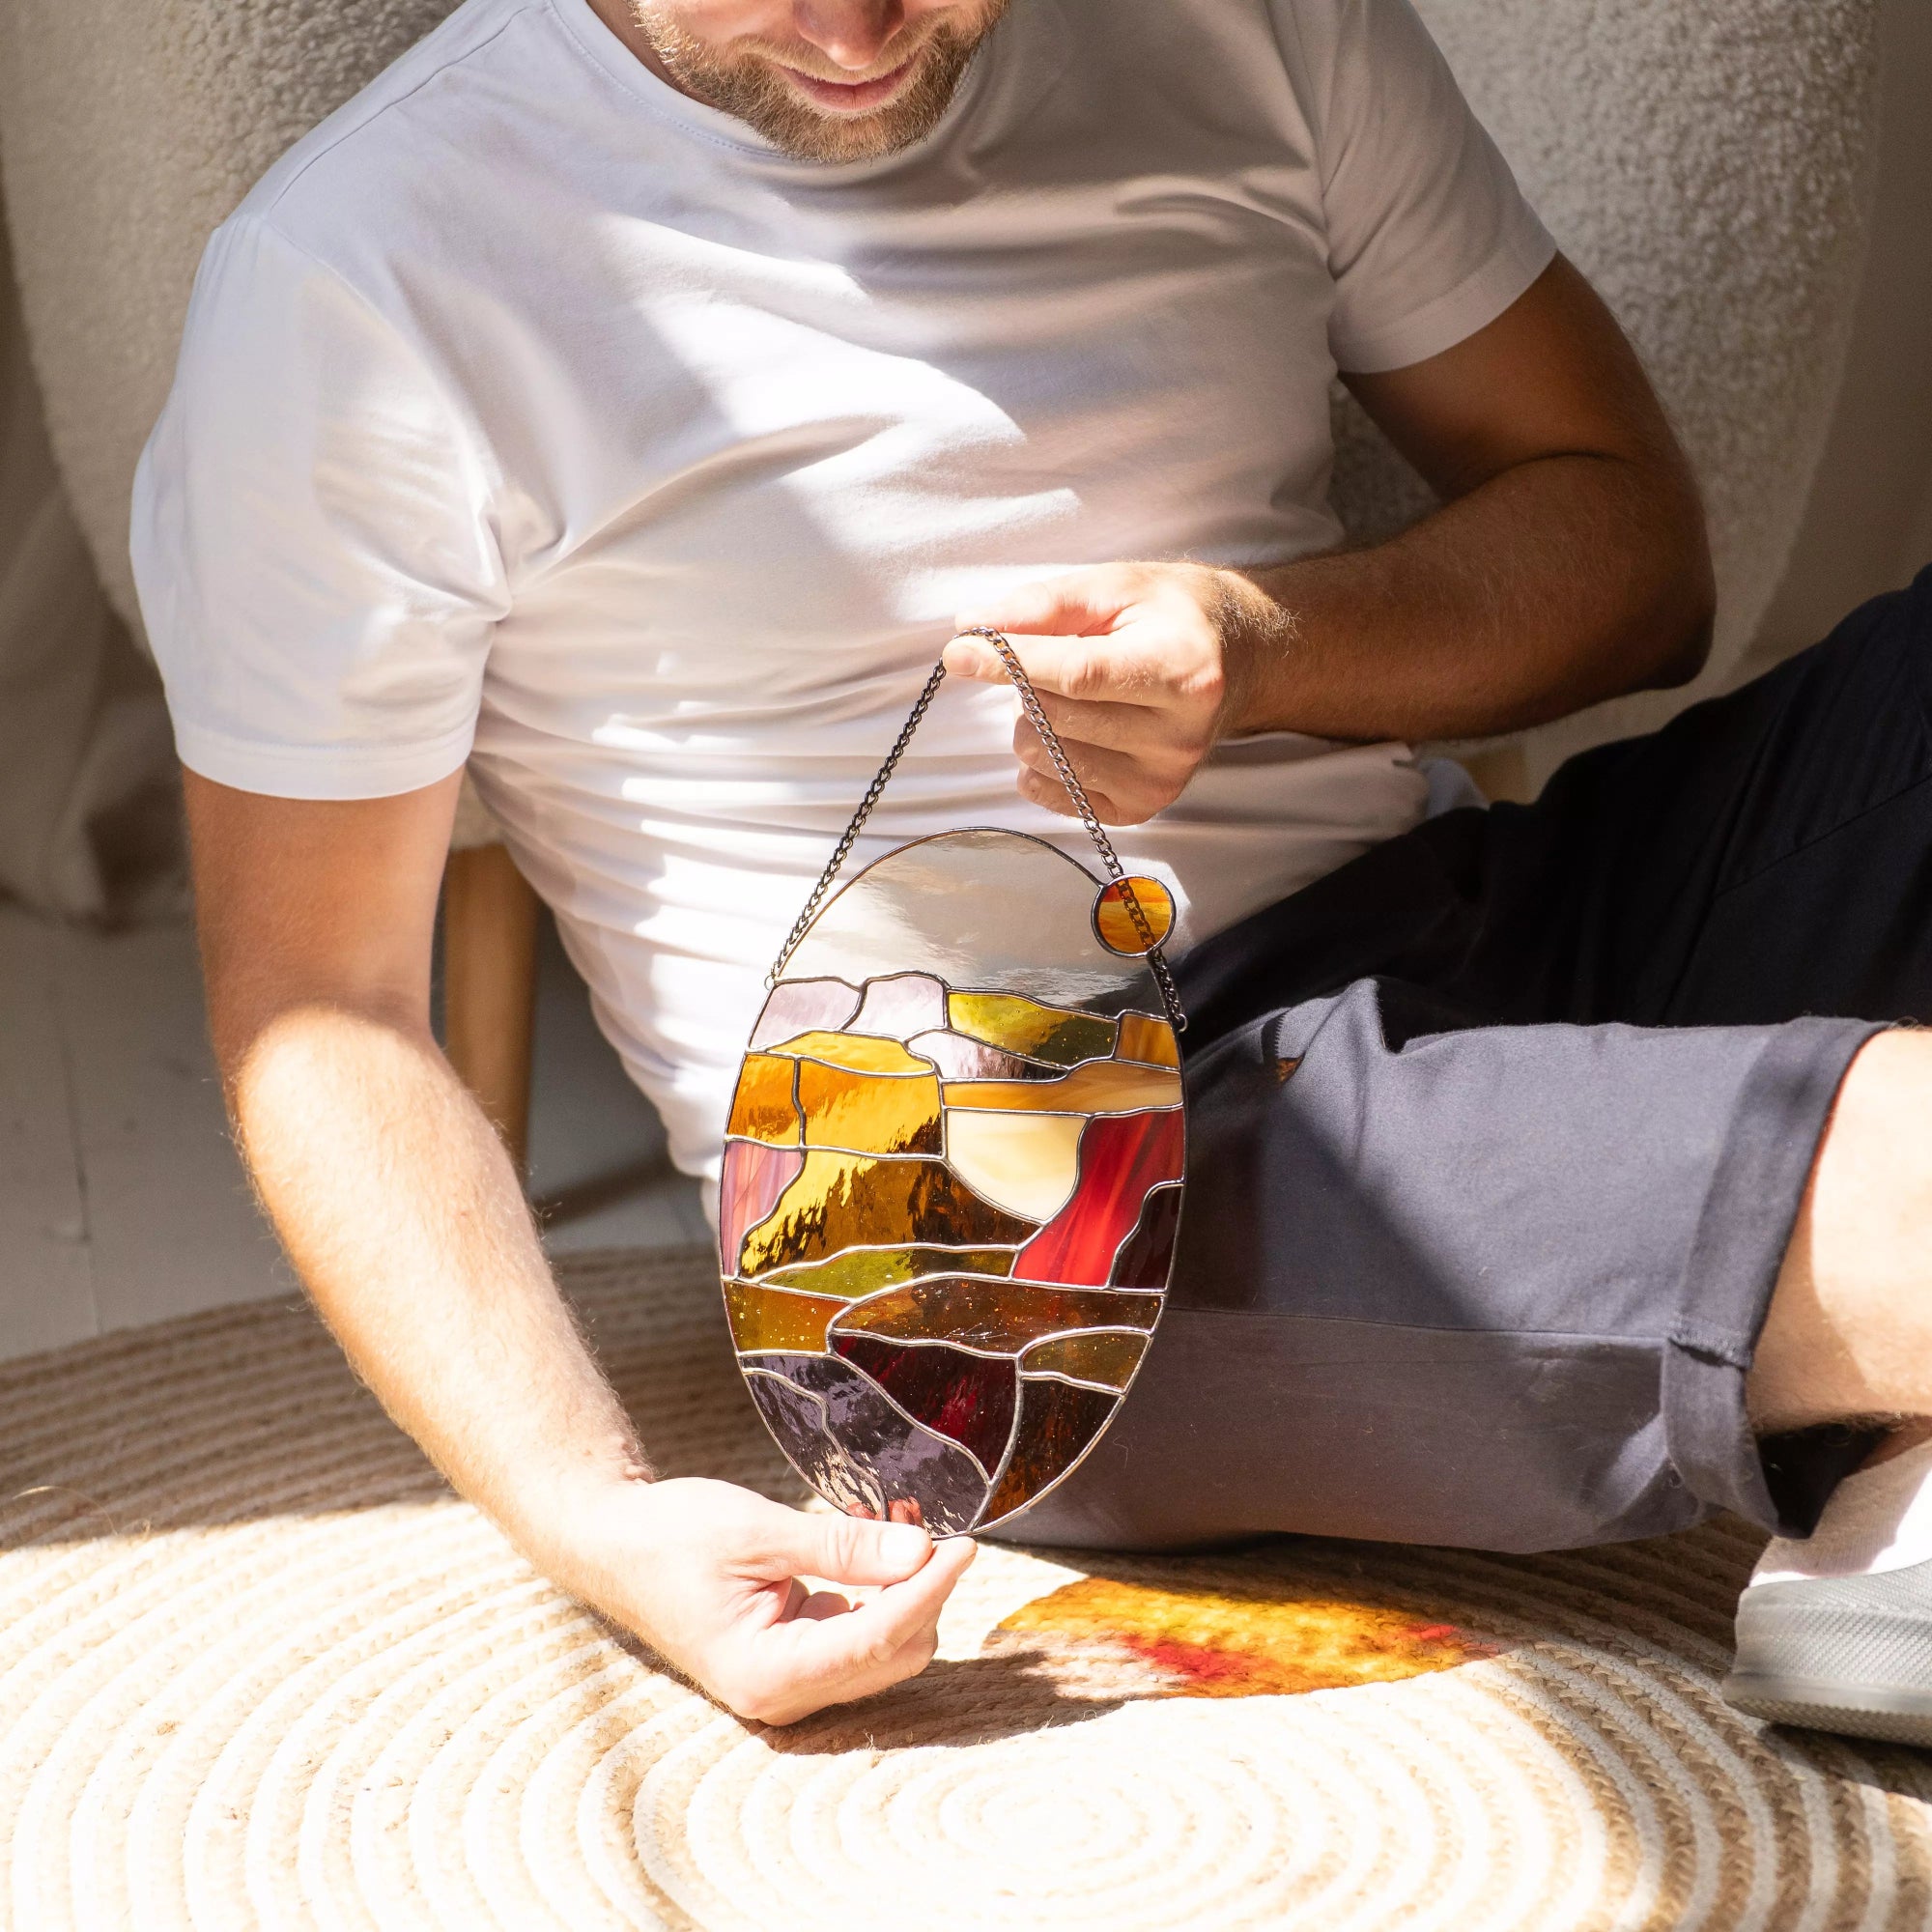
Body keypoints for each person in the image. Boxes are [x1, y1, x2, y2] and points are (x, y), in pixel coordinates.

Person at [130, 0, 1932, 1736]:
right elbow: (323, 1008)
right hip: (997, 1216)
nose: (854, 32)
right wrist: (589, 1514)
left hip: (1450, 918)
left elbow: (1630, 549)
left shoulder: (1259, 26)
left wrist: (1272, 647)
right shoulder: (358, 275)